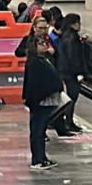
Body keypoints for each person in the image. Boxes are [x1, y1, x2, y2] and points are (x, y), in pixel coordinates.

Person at [21, 17, 63, 169]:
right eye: (41, 44)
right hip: (40, 102)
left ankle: (42, 157)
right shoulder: (34, 62)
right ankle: (37, 160)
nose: (45, 45)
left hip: (45, 102)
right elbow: (34, 84)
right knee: (37, 131)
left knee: (41, 131)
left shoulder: (43, 59)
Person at [53, 11, 92, 139]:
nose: (80, 25)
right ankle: (68, 122)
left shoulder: (66, 35)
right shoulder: (72, 38)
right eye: (78, 23)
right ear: (73, 24)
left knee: (69, 98)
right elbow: (73, 56)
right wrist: (79, 72)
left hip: (64, 71)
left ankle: (67, 121)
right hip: (70, 73)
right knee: (71, 98)